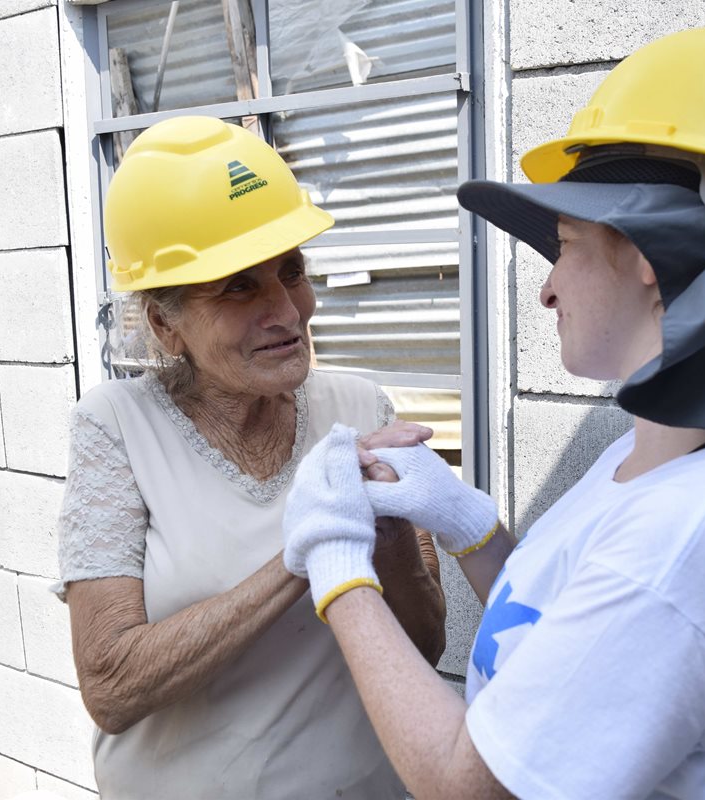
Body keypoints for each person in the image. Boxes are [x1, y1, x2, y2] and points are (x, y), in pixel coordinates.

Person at [281, 23, 705, 799]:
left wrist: (336, 561)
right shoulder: (669, 458)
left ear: (647, 250)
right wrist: (465, 522)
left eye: (565, 240)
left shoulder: (692, 533)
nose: (546, 287)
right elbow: (567, 634)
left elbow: (467, 784)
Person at [55, 115, 446, 799]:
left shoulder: (361, 412)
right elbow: (111, 685)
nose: (287, 311)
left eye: (291, 271)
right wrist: (306, 550)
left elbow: (426, 645)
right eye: (238, 285)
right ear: (164, 323)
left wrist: (387, 535)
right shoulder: (115, 431)